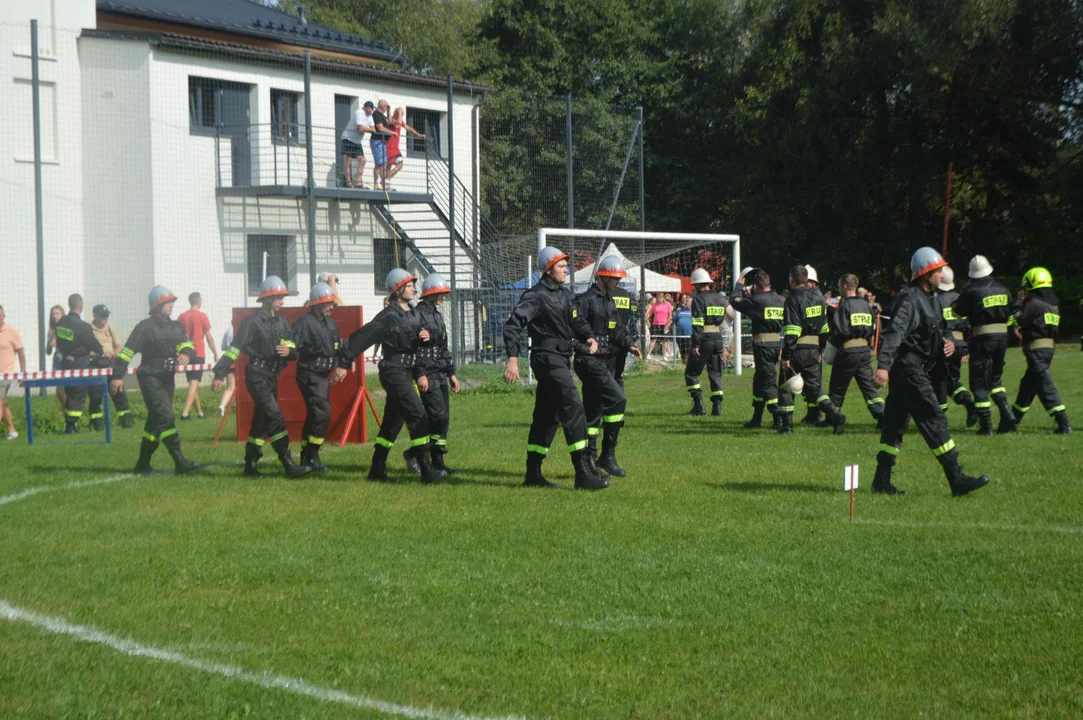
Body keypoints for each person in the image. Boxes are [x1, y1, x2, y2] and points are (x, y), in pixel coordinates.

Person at [872, 247, 989, 496]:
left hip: (913, 370)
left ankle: (881, 481)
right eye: (938, 270)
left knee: (894, 426)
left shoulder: (930, 300)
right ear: (926, 274)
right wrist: (883, 366)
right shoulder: (910, 299)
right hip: (909, 371)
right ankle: (957, 479)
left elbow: (938, 332)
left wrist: (950, 344)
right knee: (934, 419)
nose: (942, 274)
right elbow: (895, 333)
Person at [503, 246, 606, 490]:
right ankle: (583, 473)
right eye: (561, 266)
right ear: (548, 270)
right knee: (574, 408)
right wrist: (512, 359)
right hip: (546, 358)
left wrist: (589, 336)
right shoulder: (535, 295)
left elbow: (577, 320)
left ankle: (533, 474)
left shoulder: (565, 294)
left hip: (560, 358)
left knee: (547, 418)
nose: (566, 270)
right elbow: (513, 325)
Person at [336, 269, 446, 484]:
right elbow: (362, 337)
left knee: (392, 423)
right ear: (397, 290)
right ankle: (426, 469)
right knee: (418, 416)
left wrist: (425, 337)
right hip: (393, 372)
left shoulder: (413, 313)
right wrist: (343, 361)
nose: (414, 288)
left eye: (413, 285)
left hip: (407, 372)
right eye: (409, 285)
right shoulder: (387, 316)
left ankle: (376, 469)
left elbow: (419, 345)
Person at [211, 276, 311, 479]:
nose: (283, 302)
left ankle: (250, 465)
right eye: (279, 298)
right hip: (256, 376)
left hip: (272, 377)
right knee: (275, 417)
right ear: (267, 299)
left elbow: (291, 345)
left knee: (261, 422)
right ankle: (289, 464)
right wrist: (220, 373)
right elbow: (234, 349)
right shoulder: (252, 323)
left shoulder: (282, 323)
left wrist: (288, 351)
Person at [111, 286, 200, 474]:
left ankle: (142, 464)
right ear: (157, 305)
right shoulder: (144, 327)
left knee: (155, 421)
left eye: (172, 302)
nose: (172, 305)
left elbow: (188, 344)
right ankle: (180, 461)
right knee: (165, 417)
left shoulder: (176, 326)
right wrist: (117, 375)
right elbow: (127, 351)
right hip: (149, 377)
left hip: (167, 378)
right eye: (168, 302)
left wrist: (186, 354)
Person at [575, 256, 636, 478]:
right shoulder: (584, 300)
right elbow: (576, 327)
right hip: (590, 361)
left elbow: (617, 328)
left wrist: (629, 344)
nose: (618, 283)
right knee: (618, 399)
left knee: (594, 411)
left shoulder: (609, 300)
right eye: (615, 279)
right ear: (603, 276)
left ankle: (592, 459)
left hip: (607, 360)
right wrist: (587, 340)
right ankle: (606, 456)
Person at [951, 255, 1014, 435]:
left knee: (979, 383)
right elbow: (1010, 315)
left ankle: (986, 426)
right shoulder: (1003, 289)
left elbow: (957, 311)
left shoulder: (972, 291)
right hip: (1003, 339)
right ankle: (1007, 414)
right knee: (995, 379)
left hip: (982, 339)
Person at [780, 265, 845, 435]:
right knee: (815, 388)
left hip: (797, 349)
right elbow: (824, 329)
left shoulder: (792, 300)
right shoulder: (818, 299)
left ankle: (786, 427)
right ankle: (835, 414)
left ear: (791, 279)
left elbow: (792, 330)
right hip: (814, 348)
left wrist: (786, 356)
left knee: (787, 386)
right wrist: (820, 350)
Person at [1007, 267, 1071, 434]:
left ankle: (1064, 424)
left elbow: (1016, 320)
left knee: (1045, 387)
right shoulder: (1053, 305)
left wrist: (1019, 302)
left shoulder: (1034, 304)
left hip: (1036, 351)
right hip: (1048, 350)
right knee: (1027, 386)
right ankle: (1012, 422)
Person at [291, 282, 344, 472]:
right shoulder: (304, 323)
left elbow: (337, 345)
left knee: (316, 413)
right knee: (322, 411)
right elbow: (292, 345)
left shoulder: (329, 323)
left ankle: (307, 455)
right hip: (309, 374)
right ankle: (312, 454)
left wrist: (343, 362)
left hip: (322, 376)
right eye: (329, 303)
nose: (332, 307)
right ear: (318, 303)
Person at [412, 273, 461, 474]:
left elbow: (443, 347)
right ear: (430, 294)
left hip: (440, 372)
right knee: (436, 415)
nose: (443, 297)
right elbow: (414, 348)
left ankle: (438, 461)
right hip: (428, 373)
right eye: (440, 293)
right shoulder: (417, 315)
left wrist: (452, 373)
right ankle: (417, 455)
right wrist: (420, 373)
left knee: (444, 418)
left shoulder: (437, 315)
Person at [730, 269, 786, 429]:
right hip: (777, 344)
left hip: (763, 346)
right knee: (759, 382)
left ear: (756, 286)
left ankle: (778, 419)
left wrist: (739, 286)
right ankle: (756, 419)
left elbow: (735, 300)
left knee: (768, 382)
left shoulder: (757, 301)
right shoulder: (781, 300)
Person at [827, 273, 884, 425]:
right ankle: (882, 415)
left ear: (845, 286)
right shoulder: (866, 305)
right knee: (869, 387)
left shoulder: (845, 306)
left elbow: (839, 331)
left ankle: (833, 417)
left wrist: (832, 342)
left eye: (840, 286)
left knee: (837, 386)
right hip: (865, 351)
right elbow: (872, 328)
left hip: (848, 351)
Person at [932, 267, 978, 426]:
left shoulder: (935, 301)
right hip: (960, 346)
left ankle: (940, 417)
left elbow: (936, 326)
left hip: (944, 345)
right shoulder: (962, 299)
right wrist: (966, 349)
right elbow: (969, 326)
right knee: (951, 381)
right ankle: (970, 404)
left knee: (938, 381)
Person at [56, 294, 104, 434]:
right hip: (79, 362)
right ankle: (71, 425)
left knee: (70, 392)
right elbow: (93, 344)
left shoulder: (61, 323)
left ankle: (70, 424)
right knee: (78, 393)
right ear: (81, 306)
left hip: (66, 362)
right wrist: (100, 351)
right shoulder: (82, 326)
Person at [684, 269, 729, 417]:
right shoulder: (720, 299)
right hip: (717, 337)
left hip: (704, 338)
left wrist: (696, 344)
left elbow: (697, 323)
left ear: (697, 285)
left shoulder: (698, 299)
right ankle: (717, 407)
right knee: (715, 373)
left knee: (691, 373)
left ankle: (698, 406)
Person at [90, 304, 133, 428]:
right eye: (103, 317)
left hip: (111, 365)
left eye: (107, 316)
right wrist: (100, 354)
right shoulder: (89, 330)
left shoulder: (109, 328)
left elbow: (118, 346)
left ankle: (125, 420)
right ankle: (97, 423)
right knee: (96, 395)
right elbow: (87, 350)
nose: (105, 319)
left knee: (118, 392)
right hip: (96, 366)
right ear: (95, 315)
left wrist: (115, 352)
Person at [178, 292, 218, 421]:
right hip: (198, 353)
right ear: (198, 301)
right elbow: (208, 337)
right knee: (194, 383)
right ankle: (185, 413)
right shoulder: (202, 316)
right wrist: (215, 353)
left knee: (192, 383)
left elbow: (178, 336)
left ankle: (200, 412)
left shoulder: (182, 317)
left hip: (185, 353)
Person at [383, 107, 426, 190]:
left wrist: (419, 135)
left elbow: (409, 128)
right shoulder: (390, 120)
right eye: (400, 114)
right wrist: (399, 111)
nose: (402, 115)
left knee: (393, 165)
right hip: (390, 146)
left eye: (402, 114)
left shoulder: (399, 121)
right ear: (396, 113)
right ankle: (386, 181)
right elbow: (398, 122)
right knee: (396, 164)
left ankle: (386, 182)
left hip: (395, 147)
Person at [0, 305, 26, 440]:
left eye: (0, 315)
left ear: (4, 316)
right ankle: (12, 431)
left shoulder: (11, 332)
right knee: (3, 403)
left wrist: (23, 373)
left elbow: (21, 353)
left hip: (6, 374)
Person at [609, 281, 638, 387]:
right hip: (623, 335)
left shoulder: (606, 294)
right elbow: (629, 314)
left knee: (607, 373)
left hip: (609, 336)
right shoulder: (625, 293)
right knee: (618, 372)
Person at [340, 101, 375, 189]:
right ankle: (349, 183)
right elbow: (360, 127)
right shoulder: (359, 112)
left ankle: (359, 182)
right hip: (348, 138)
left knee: (362, 160)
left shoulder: (370, 116)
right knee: (348, 161)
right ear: (366, 108)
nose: (371, 112)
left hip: (357, 142)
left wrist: (364, 128)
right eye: (370, 110)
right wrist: (367, 129)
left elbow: (373, 129)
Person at [46, 304, 67, 412]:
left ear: (62, 314)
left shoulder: (67, 327)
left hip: (67, 359)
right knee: (59, 391)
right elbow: (48, 352)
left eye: (57, 313)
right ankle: (65, 408)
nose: (55, 316)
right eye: (53, 314)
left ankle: (68, 411)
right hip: (58, 359)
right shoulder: (51, 331)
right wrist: (50, 344)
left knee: (67, 389)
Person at [370, 100, 394, 190]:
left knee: (383, 164)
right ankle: (376, 185)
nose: (387, 108)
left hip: (381, 142)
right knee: (379, 164)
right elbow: (380, 128)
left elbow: (389, 121)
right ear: (383, 106)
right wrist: (392, 132)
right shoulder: (377, 114)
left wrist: (388, 111)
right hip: (377, 141)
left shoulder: (382, 115)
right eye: (386, 107)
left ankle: (384, 185)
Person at [646, 292, 673, 359]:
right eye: (657, 298)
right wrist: (646, 318)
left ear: (663, 298)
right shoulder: (654, 305)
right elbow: (650, 313)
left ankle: (664, 356)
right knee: (653, 339)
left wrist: (667, 324)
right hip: (655, 324)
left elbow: (670, 315)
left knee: (665, 340)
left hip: (664, 325)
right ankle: (648, 354)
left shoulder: (668, 304)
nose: (659, 299)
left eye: (660, 298)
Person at [217, 324, 237, 417]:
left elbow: (223, 347)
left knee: (230, 387)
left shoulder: (229, 329)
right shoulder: (242, 328)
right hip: (238, 359)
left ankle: (222, 405)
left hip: (229, 359)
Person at [673, 293, 693, 360]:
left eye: (687, 301)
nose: (685, 302)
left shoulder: (694, 312)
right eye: (685, 301)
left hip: (689, 335)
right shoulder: (679, 311)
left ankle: (689, 365)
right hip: (680, 335)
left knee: (689, 352)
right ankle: (684, 364)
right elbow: (674, 321)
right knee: (682, 353)